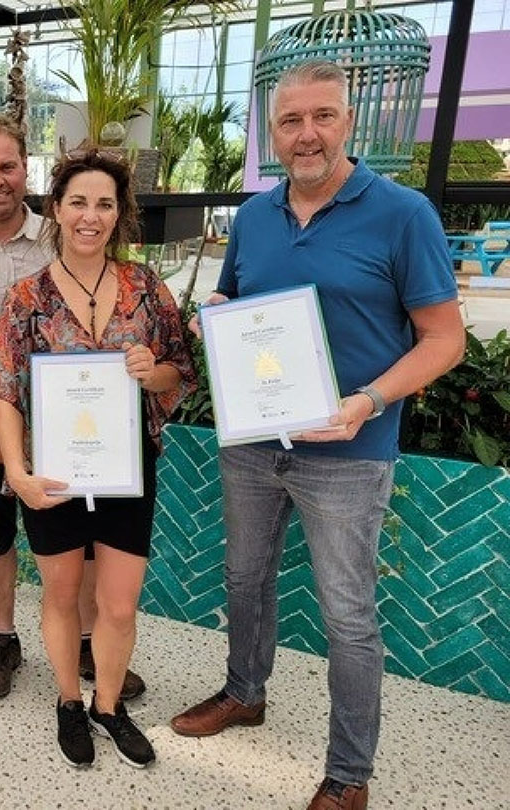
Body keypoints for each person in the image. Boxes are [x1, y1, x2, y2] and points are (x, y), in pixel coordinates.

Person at [169, 61, 464, 810]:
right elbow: (237, 293)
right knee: (244, 581)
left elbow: (444, 340)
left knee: (348, 616)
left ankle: (349, 772)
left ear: (348, 121)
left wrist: (366, 400)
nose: (307, 134)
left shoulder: (403, 215)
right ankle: (245, 692)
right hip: (255, 443)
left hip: (349, 451)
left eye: (321, 117)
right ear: (272, 134)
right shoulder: (257, 215)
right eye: (290, 121)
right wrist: (217, 311)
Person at [0, 114, 147, 702]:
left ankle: (84, 642)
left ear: (28, 170)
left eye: (8, 166)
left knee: (83, 547)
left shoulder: (67, 230)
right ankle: (4, 638)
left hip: (69, 437)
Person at [0, 149, 196, 769]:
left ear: (119, 214)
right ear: (56, 210)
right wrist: (18, 473)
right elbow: (5, 389)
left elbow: (177, 374)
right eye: (78, 202)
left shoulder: (146, 290)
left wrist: (147, 369)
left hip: (126, 471)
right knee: (59, 594)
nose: (90, 215)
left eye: (104, 204)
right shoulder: (25, 297)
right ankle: (70, 701)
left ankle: (108, 705)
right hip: (53, 472)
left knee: (120, 603)